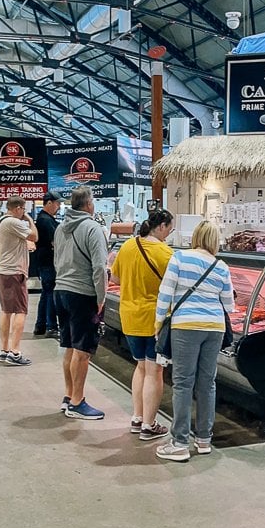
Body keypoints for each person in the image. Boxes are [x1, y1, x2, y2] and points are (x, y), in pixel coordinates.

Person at [153, 220, 235, 463]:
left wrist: (158, 322)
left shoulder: (180, 258)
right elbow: (229, 305)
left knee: (183, 382)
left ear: (195, 237)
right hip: (215, 328)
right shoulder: (221, 266)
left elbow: (165, 292)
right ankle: (204, 439)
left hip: (186, 326)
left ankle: (179, 443)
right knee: (207, 383)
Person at [111, 208, 175, 440]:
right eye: (169, 229)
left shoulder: (128, 246)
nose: (170, 233)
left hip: (129, 316)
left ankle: (137, 418)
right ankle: (149, 425)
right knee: (155, 371)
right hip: (155, 320)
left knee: (140, 366)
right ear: (161, 226)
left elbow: (115, 278)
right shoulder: (166, 253)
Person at [53, 187, 110, 419]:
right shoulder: (92, 228)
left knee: (69, 346)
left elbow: (57, 259)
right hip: (82, 294)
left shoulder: (60, 228)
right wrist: (101, 297)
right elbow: (99, 267)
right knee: (83, 351)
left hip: (61, 290)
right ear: (88, 205)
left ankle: (69, 396)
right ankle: (78, 402)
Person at [0, 196, 37, 365]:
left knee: (6, 311)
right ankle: (15, 352)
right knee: (20, 311)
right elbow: (34, 236)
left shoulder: (1, 220)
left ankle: (4, 350)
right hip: (13, 272)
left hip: (2, 270)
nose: (24, 212)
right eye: (24, 209)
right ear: (18, 208)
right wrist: (29, 219)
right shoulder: (13, 222)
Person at [31, 192, 62, 337]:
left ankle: (40, 325)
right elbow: (55, 242)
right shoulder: (46, 220)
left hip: (44, 262)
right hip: (49, 262)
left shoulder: (44, 218)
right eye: (57, 203)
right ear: (49, 203)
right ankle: (52, 327)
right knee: (51, 293)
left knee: (46, 293)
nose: (59, 206)